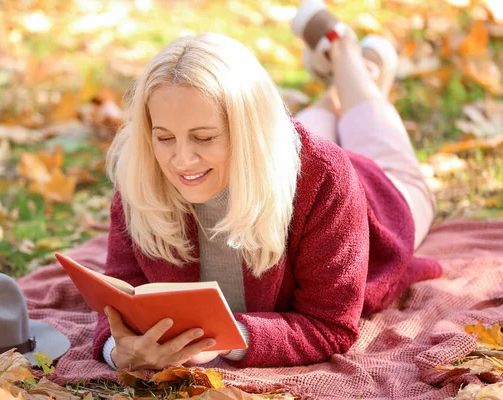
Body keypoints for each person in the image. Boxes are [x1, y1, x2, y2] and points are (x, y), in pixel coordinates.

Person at [92, 0, 443, 371]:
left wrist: (225, 341)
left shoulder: (325, 177)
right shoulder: (144, 170)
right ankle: (343, 81)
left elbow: (329, 324)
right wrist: (117, 352)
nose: (181, 160)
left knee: (387, 148)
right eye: (164, 137)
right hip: (271, 155)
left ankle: (345, 51)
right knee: (301, 127)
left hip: (372, 196)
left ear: (250, 133)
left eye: (204, 137)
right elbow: (120, 294)